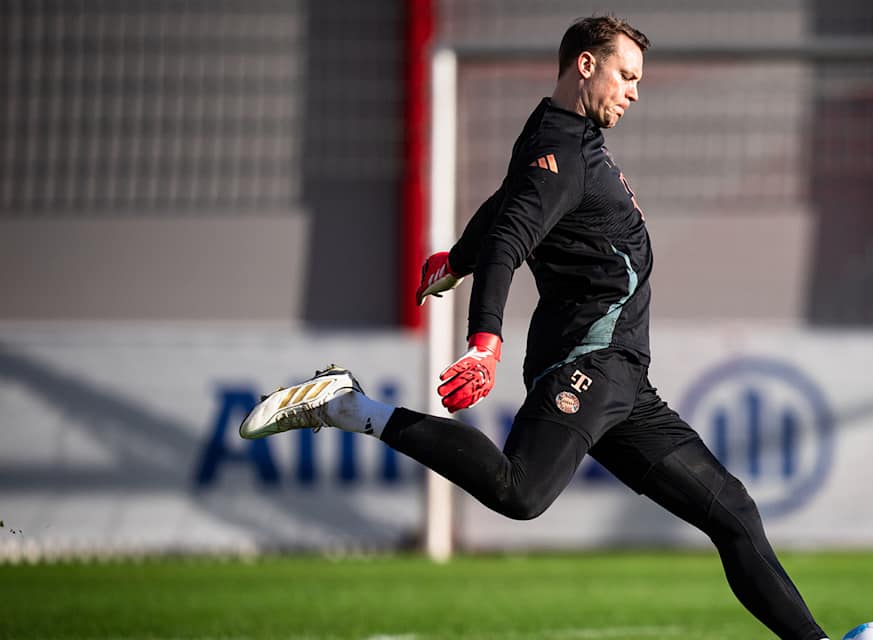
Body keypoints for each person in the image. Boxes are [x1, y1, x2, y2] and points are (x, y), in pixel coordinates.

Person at [239, 16, 830, 640]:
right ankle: (347, 405)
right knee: (519, 492)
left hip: (624, 382)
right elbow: (512, 240)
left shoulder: (559, 139)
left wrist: (455, 259)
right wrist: (485, 340)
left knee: (732, 513)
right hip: (589, 364)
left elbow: (504, 209)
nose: (633, 91)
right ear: (585, 65)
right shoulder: (565, 154)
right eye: (625, 75)